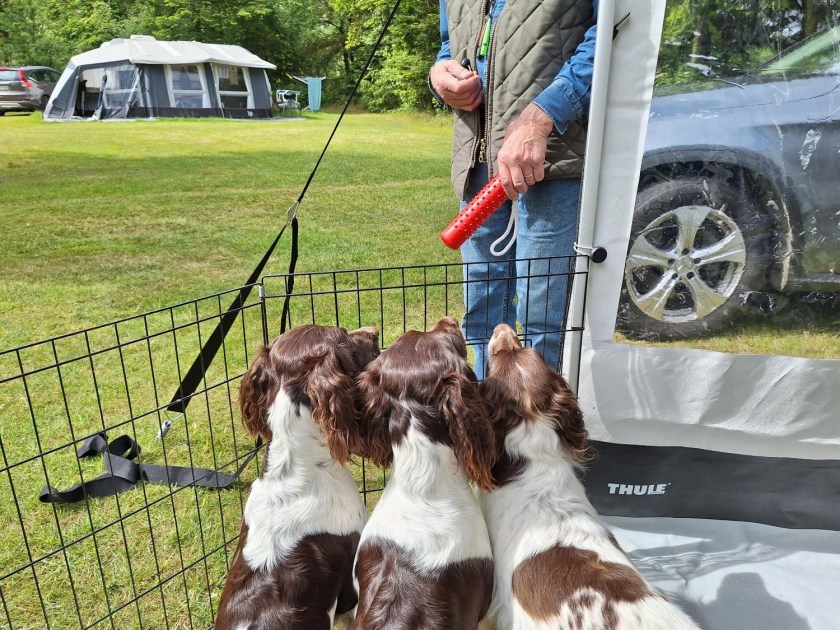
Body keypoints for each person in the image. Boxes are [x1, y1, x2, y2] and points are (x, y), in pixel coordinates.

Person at [430, 0, 598, 378]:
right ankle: (488, 426)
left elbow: (609, 39)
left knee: (544, 324)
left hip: (552, 164)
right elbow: (450, 44)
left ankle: (542, 428)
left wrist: (542, 117)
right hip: (478, 168)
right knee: (482, 318)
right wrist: (440, 73)